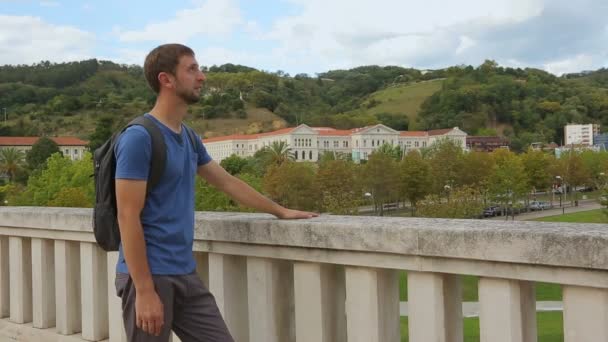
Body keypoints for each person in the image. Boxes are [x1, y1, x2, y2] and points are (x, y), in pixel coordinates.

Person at [114, 43, 318, 342]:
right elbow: (127, 215)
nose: (202, 76)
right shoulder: (139, 137)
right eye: (192, 68)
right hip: (148, 275)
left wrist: (280, 210)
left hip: (184, 272)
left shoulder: (188, 137)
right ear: (166, 79)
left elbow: (227, 182)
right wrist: (144, 291)